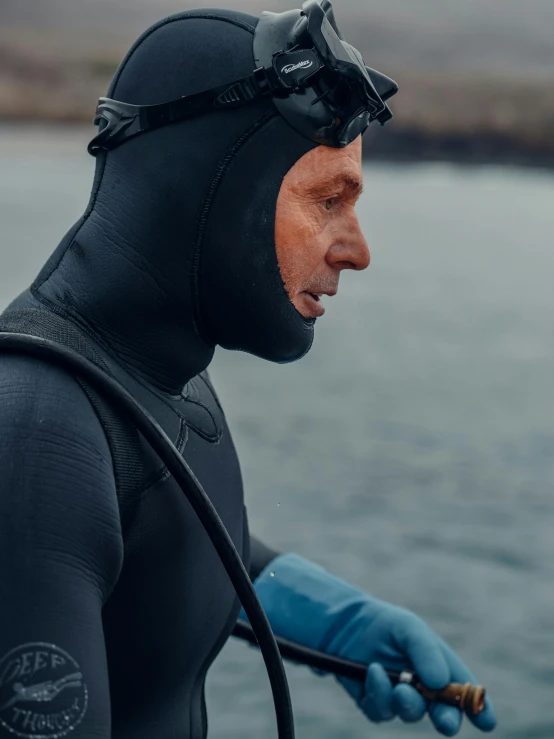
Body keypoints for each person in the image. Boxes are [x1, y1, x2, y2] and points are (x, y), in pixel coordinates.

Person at [0, 4, 496, 738]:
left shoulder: (151, 379)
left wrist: (335, 623)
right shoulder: (33, 431)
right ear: (207, 190)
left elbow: (156, 541)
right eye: (328, 201)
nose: (356, 251)